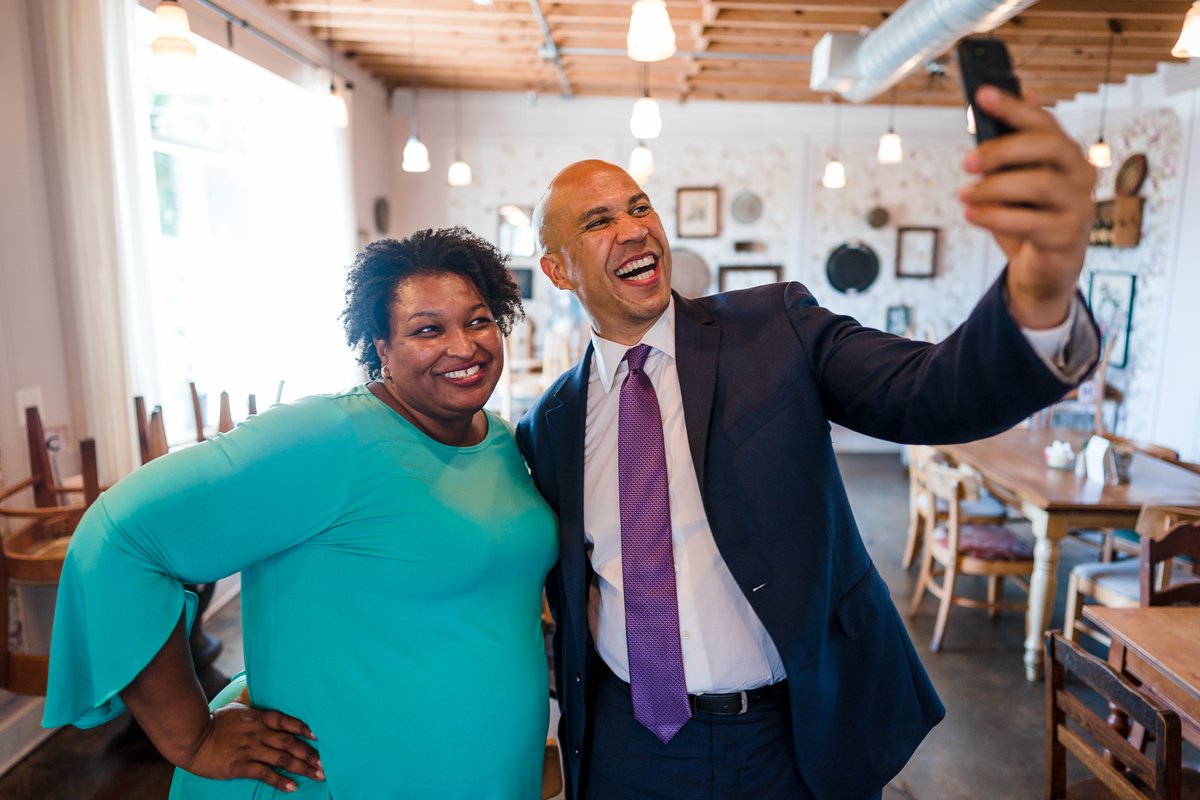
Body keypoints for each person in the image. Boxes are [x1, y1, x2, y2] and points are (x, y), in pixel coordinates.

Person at [515, 85, 1100, 800]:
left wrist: (1041, 291)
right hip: (628, 746)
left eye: (640, 207)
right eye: (599, 222)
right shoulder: (548, 425)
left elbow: (931, 390)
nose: (634, 229)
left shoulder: (774, 329)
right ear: (557, 270)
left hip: (791, 735)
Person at [43, 228, 558, 798]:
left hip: (488, 769)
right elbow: (120, 535)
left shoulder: (504, 442)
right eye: (428, 329)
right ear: (380, 347)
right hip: (349, 774)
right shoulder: (330, 438)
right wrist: (192, 737)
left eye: (478, 320)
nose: (463, 346)